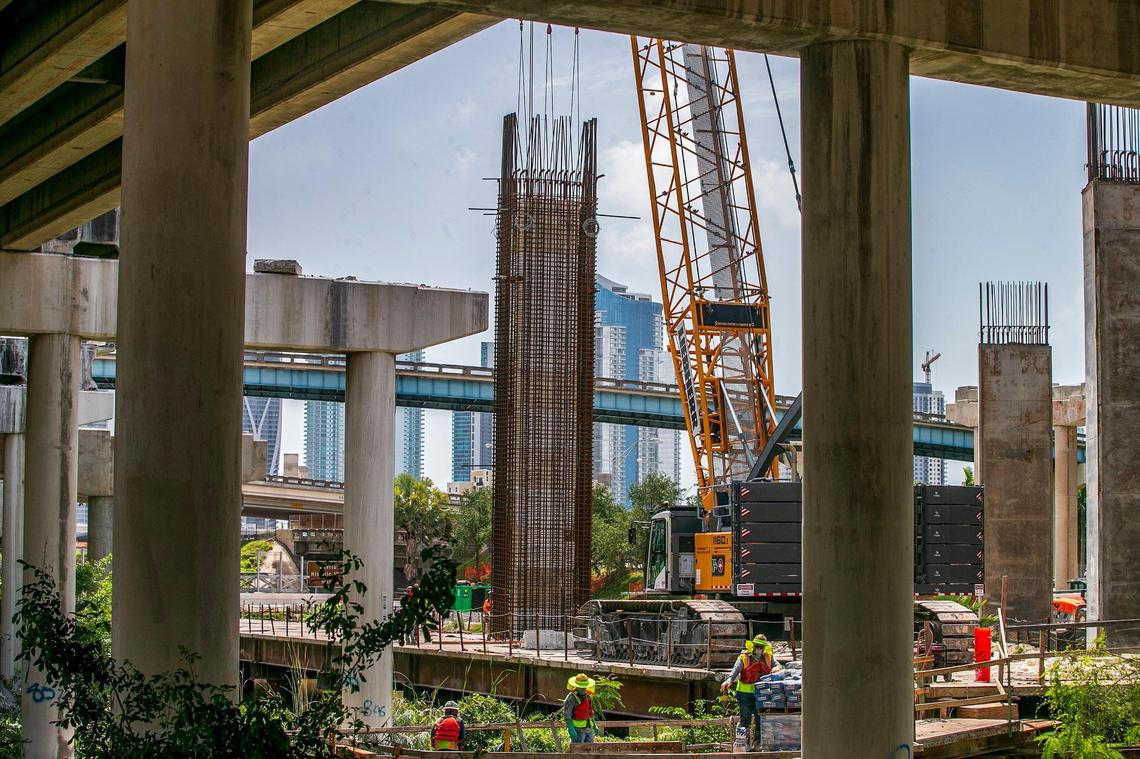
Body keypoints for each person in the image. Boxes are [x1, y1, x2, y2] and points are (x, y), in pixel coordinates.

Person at [721, 634, 777, 749]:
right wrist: (729, 681)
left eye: (761, 647)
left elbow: (778, 667)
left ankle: (757, 746)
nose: (758, 649)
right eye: (757, 646)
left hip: (761, 694)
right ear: (753, 646)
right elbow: (735, 671)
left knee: (760, 719)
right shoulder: (744, 657)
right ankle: (742, 745)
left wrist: (777, 669)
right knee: (745, 719)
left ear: (764, 648)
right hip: (744, 694)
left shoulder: (769, 657)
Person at [563, 673, 597, 743]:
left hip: (588, 728)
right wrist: (571, 729)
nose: (583, 689)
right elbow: (567, 714)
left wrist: (594, 725)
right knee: (578, 751)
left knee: (590, 750)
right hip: (578, 730)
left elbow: (590, 711)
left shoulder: (587, 696)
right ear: (576, 686)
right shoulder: (571, 698)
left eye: (584, 687)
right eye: (581, 687)